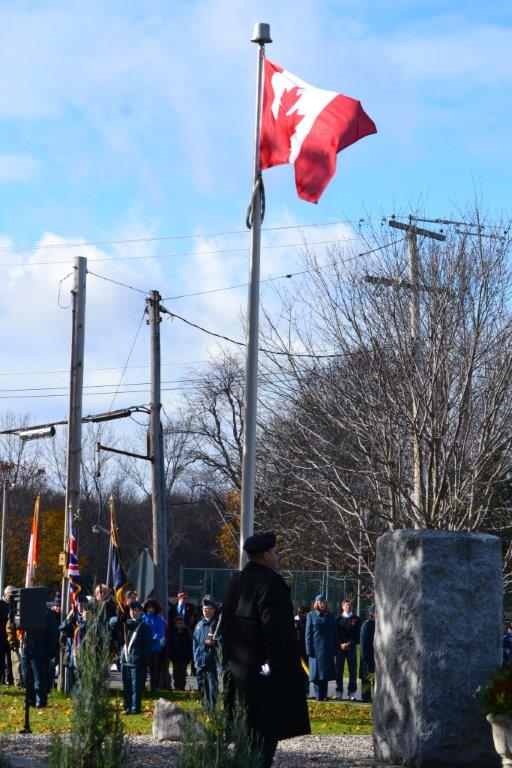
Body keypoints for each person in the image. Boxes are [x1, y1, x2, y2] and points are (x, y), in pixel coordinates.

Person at [222, 531, 310, 768]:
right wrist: (277, 666)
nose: (277, 556)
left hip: (238, 670)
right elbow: (277, 632)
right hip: (264, 675)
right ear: (265, 555)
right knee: (264, 739)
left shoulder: (236, 582)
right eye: (275, 552)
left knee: (244, 735)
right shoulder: (270, 585)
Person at [111, 599, 152, 714]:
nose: (132, 612)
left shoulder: (144, 626)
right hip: (126, 659)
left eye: (135, 610)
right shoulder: (126, 624)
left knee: (136, 687)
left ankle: (135, 709)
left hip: (137, 660)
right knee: (126, 685)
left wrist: (144, 660)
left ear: (140, 612)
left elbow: (147, 645)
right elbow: (112, 624)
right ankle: (127, 707)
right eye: (131, 610)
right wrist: (119, 618)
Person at [20, 603, 59, 708]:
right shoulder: (27, 611)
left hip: (40, 650)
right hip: (27, 649)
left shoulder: (47, 613)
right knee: (28, 677)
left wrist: (51, 650)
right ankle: (30, 700)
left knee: (39, 678)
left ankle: (40, 702)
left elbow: (53, 632)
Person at [305, 594, 338, 701]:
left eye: (324, 602)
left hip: (327, 649)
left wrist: (336, 648)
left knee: (325, 674)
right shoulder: (311, 616)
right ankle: (318, 695)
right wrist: (309, 650)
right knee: (316, 674)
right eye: (320, 602)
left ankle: (323, 695)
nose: (322, 604)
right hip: (316, 650)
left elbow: (335, 633)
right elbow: (308, 635)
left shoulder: (331, 616)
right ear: (316, 603)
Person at [193, 595, 221, 709]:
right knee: (201, 685)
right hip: (200, 661)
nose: (206, 611)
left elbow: (221, 640)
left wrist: (214, 641)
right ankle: (205, 708)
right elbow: (194, 643)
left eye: (208, 609)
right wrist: (195, 657)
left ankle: (212, 710)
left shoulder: (217, 625)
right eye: (204, 609)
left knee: (211, 686)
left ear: (214, 610)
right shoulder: (199, 625)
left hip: (211, 660)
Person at [59, 594, 90, 690]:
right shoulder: (74, 617)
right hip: (73, 653)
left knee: (84, 681)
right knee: (73, 681)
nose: (82, 607)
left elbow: (87, 631)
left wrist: (86, 620)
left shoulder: (90, 617)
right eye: (80, 605)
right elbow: (61, 628)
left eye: (85, 605)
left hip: (86, 653)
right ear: (76, 606)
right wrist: (69, 617)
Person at [335, 598, 362, 701]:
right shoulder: (337, 619)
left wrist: (349, 643)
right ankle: (339, 691)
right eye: (346, 605)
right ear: (342, 606)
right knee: (339, 671)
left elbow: (357, 635)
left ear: (352, 607)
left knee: (352, 671)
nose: (348, 607)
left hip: (351, 648)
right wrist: (340, 644)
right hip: (340, 649)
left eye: (350, 605)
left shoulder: (357, 619)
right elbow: (335, 634)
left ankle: (352, 692)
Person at [142, 598, 166, 690]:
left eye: (152, 607)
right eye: (148, 607)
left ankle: (154, 686)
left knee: (153, 668)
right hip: (144, 647)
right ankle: (142, 685)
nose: (150, 609)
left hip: (154, 647)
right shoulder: (143, 618)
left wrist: (153, 639)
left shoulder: (158, 618)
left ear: (155, 608)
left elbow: (160, 632)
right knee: (143, 667)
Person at [167, 615, 192, 690]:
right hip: (175, 657)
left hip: (184, 657)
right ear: (175, 624)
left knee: (183, 674)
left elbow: (189, 645)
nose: (180, 625)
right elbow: (171, 645)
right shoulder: (173, 633)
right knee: (175, 674)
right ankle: (176, 686)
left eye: (181, 623)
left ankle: (182, 687)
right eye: (178, 623)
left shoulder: (186, 633)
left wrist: (189, 657)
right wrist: (171, 655)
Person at [359, 605, 376, 702]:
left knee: (373, 677)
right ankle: (366, 697)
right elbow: (363, 643)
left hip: (375, 656)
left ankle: (374, 696)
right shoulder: (367, 624)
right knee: (366, 677)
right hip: (368, 656)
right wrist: (365, 657)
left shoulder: (378, 624)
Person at [294, 604, 310, 697]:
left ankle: (305, 691)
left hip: (305, 650)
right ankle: (298, 691)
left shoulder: (307, 621)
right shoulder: (295, 622)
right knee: (297, 671)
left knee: (306, 671)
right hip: (297, 650)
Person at [47, 593, 62, 692]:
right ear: (53, 605)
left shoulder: (61, 615)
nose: (58, 608)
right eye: (57, 606)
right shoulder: (49, 614)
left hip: (58, 643)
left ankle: (52, 685)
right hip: (51, 645)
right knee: (50, 666)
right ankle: (49, 686)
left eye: (59, 606)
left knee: (56, 665)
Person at [0, 585, 11, 684]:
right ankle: (2, 678)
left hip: (10, 636)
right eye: (10, 595)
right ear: (6, 594)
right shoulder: (1, 603)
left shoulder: (13, 604)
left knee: (10, 658)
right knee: (1, 658)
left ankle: (9, 678)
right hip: (1, 635)